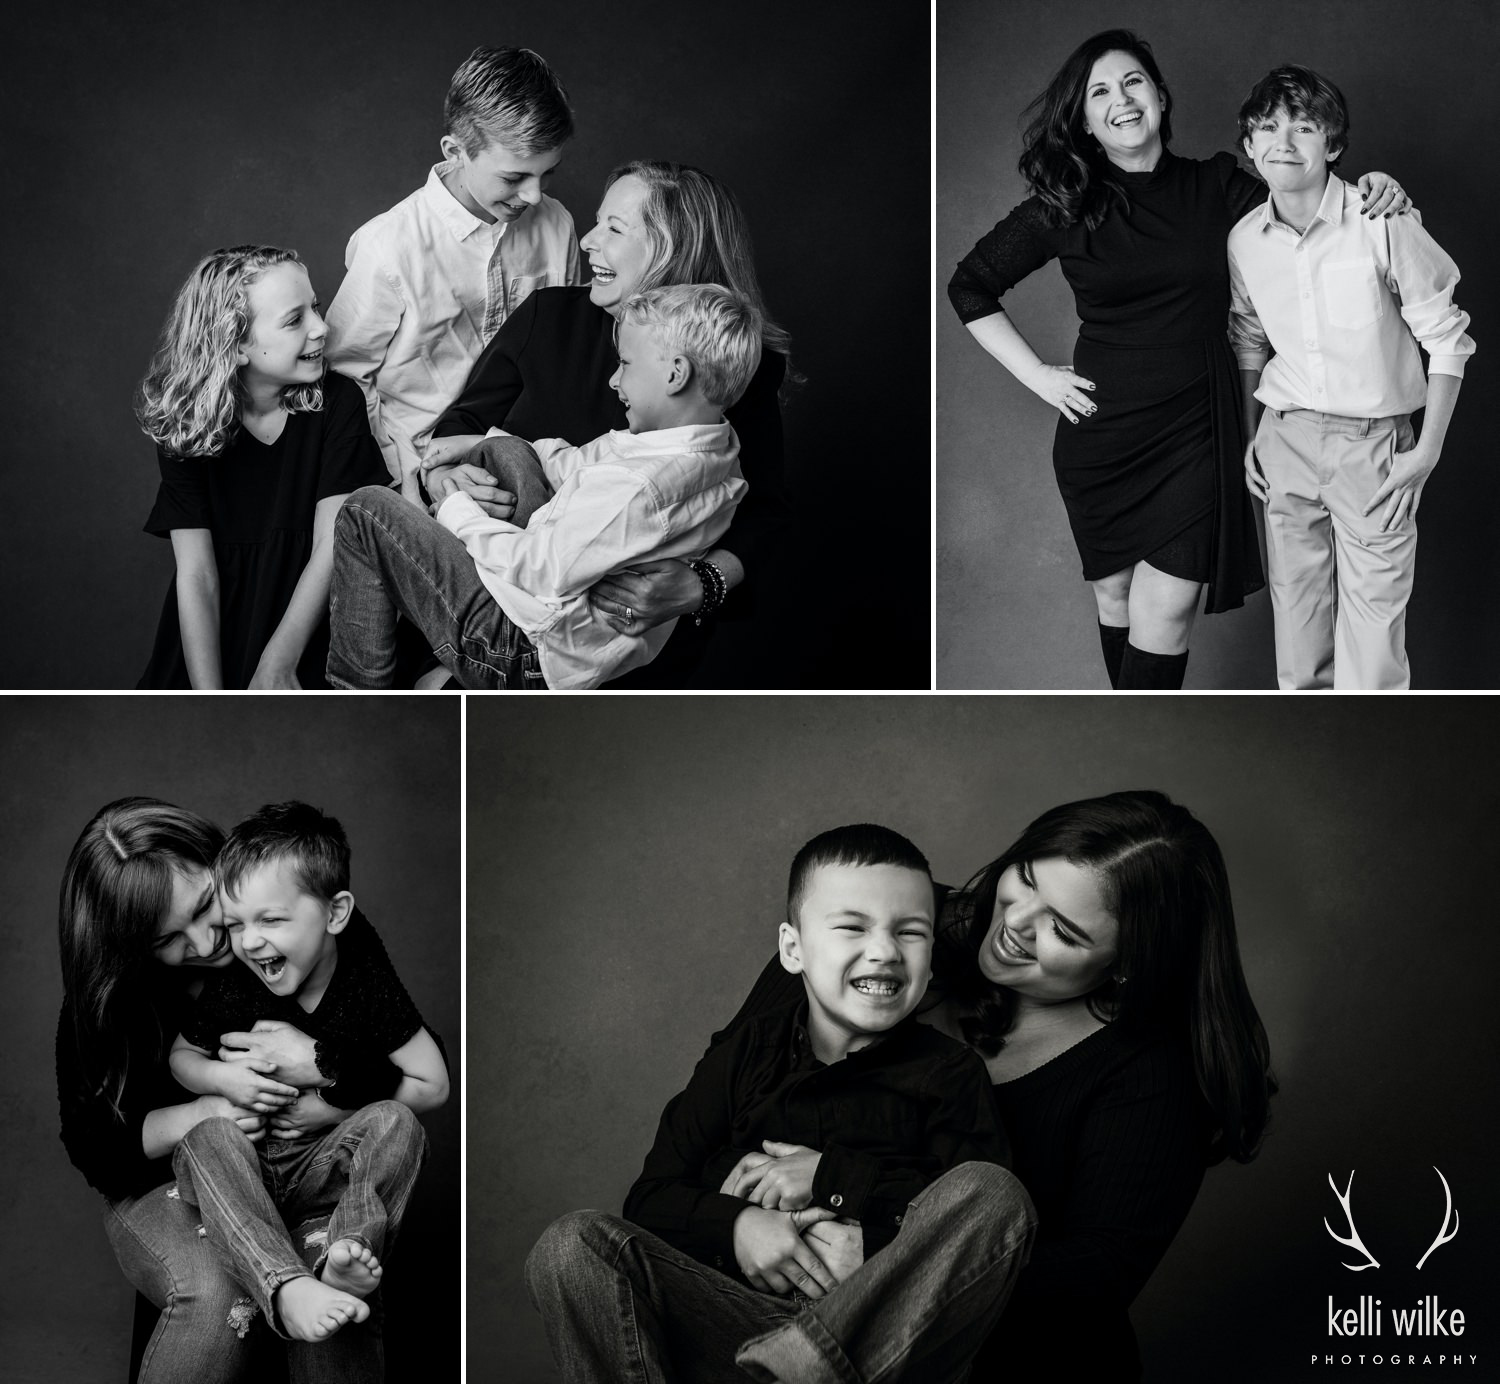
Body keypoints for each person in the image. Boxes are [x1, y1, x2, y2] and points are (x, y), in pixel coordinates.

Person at [707, 791, 1275, 1379]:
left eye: (1064, 930)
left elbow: (1093, 1284)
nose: (1015, 923)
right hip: (763, 1306)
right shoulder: (881, 919)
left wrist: (880, 1250)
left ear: (1126, 963)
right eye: (1025, 879)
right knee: (603, 1255)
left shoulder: (1149, 1076)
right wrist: (738, 1225)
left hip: (986, 1360)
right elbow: (718, 1115)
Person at [947, 29, 1407, 689]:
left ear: (1159, 96)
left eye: (1133, 81)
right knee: (1114, 599)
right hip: (1103, 441)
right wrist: (1039, 378)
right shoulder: (1065, 207)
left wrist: (1371, 191)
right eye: (1099, 91)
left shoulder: (1217, 183)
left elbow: (1311, 210)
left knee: (1165, 608)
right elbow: (969, 286)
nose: (1121, 100)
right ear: (1082, 118)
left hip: (1197, 426)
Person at [525, 824, 1034, 1382]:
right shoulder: (747, 1052)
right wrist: (741, 1225)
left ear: (932, 957)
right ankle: (792, 1368)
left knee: (995, 1189)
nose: (885, 951)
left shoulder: (949, 1073)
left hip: (890, 1341)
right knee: (571, 1246)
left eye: (910, 933)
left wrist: (833, 1180)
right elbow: (651, 1199)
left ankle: (814, 1366)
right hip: (740, 1327)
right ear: (793, 949)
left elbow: (982, 1235)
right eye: (852, 927)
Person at [418, 160, 792, 688]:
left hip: (628, 650)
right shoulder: (548, 317)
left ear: (672, 247)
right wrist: (439, 481)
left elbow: (765, 515)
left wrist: (701, 584)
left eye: (614, 228)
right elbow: (459, 428)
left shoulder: (736, 366)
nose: (588, 241)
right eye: (597, 221)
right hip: (498, 612)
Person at [326, 283, 757, 689]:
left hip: (522, 649)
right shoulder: (713, 448)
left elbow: (540, 572)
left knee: (366, 510)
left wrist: (454, 506)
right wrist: (484, 440)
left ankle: (359, 698)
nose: (614, 380)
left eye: (624, 364)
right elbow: (572, 462)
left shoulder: (638, 486)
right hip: (562, 619)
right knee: (510, 452)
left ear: (675, 375)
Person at [56, 798, 338, 1381]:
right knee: (216, 1292)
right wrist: (204, 1112)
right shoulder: (113, 1002)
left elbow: (410, 1057)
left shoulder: (289, 930)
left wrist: (316, 1062)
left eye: (207, 904)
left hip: (290, 1173)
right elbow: (94, 1146)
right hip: (158, 1188)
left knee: (330, 1279)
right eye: (168, 938)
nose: (205, 939)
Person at [168, 802, 448, 1355]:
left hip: (319, 1173)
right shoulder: (238, 982)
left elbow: (433, 1085)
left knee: (396, 1121)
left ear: (335, 914)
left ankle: (342, 1254)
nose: (247, 943)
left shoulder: (365, 982)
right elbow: (180, 1057)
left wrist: (329, 1105)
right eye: (236, 924)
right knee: (206, 1137)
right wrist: (223, 1079)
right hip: (242, 1169)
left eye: (271, 920)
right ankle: (287, 1284)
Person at [1230, 66, 1473, 690]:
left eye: (1304, 127)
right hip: (1284, 440)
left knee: (1373, 651)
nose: (1284, 141)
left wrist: (1427, 450)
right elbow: (1250, 337)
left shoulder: (1382, 217)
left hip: (1374, 445)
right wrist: (1251, 435)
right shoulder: (1244, 241)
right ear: (1250, 145)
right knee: (1298, 633)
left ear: (1332, 145)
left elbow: (1447, 339)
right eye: (1268, 127)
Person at [326, 45, 580, 500]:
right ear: (456, 151)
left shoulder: (557, 225)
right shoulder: (388, 246)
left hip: (535, 468)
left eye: (548, 174)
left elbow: (558, 356)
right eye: (514, 177)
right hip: (417, 476)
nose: (536, 196)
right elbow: (346, 382)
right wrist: (414, 478)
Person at [135, 247, 389, 689]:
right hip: (214, 634)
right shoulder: (185, 426)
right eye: (295, 321)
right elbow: (196, 574)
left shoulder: (338, 401)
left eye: (315, 306)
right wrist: (210, 694)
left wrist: (280, 661)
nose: (321, 328)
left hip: (307, 620)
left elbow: (333, 543)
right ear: (234, 347)